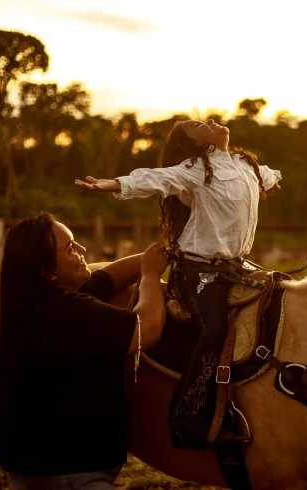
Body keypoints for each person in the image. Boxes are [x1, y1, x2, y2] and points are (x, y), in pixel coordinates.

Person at [74, 118, 282, 448]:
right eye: (197, 126)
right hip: (197, 271)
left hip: (237, 267)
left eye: (205, 120)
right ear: (195, 144)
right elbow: (157, 178)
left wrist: (270, 182)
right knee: (213, 330)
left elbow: (270, 176)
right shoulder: (195, 169)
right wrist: (112, 184)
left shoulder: (247, 165)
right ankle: (189, 415)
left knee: (282, 291)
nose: (209, 121)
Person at [0, 211, 168, 489]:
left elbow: (106, 276)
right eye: (71, 248)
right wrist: (151, 275)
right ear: (46, 270)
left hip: (32, 467)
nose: (83, 250)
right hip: (72, 473)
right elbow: (147, 328)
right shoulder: (68, 313)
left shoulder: (30, 303)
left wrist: (162, 253)